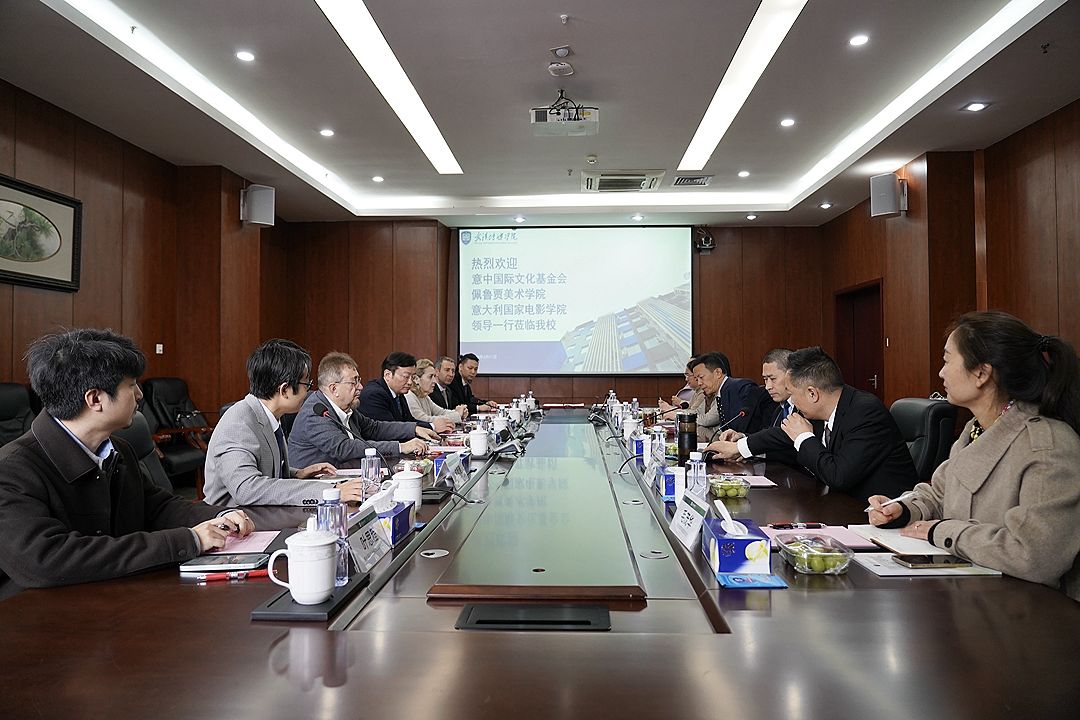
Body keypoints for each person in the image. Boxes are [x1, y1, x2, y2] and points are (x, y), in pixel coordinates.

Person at [0, 329, 253, 598]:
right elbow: (46, 560)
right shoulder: (12, 470)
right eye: (131, 385)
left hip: (116, 597)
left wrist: (218, 517)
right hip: (39, 612)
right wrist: (189, 540)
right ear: (95, 399)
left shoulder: (119, 450)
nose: (140, 395)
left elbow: (157, 507)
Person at [868, 312, 1080, 600]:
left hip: (1029, 612)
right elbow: (939, 493)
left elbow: (1034, 556)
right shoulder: (976, 429)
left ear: (982, 373)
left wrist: (942, 531)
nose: (941, 373)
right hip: (974, 596)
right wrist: (903, 509)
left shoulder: (1047, 446)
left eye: (946, 360)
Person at [203, 339, 354, 507]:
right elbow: (247, 489)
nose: (309, 391)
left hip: (262, 512)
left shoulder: (270, 415)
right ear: (284, 390)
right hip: (232, 517)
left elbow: (261, 469)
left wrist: (297, 474)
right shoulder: (237, 424)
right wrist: (330, 491)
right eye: (306, 384)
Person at [781, 346, 917, 503]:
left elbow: (838, 477)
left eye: (792, 394)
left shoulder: (865, 412)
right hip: (840, 505)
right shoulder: (822, 411)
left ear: (812, 393)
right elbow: (783, 437)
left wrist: (804, 437)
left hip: (881, 511)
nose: (792, 402)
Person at [288, 352, 433, 468]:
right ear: (334, 388)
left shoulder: (346, 407)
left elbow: (373, 428)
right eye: (354, 382)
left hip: (346, 476)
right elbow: (344, 448)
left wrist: (413, 429)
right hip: (318, 487)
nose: (360, 387)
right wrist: (400, 447)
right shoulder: (316, 412)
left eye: (359, 380)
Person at [706, 348, 804, 463]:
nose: (768, 386)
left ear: (791, 375)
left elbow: (793, 451)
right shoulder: (780, 409)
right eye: (765, 379)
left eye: (773, 379)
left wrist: (745, 449)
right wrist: (742, 437)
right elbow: (772, 441)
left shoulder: (805, 409)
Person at [358, 352, 455, 433]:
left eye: (412, 377)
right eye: (406, 377)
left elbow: (409, 421)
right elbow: (390, 429)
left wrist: (432, 426)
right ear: (388, 375)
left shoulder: (399, 393)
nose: (410, 382)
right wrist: (432, 426)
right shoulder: (374, 394)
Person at [691, 351, 770, 441]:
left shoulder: (740, 388)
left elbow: (746, 428)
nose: (699, 383)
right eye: (696, 379)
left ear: (718, 373)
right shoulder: (722, 392)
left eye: (701, 377)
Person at [408, 358, 468, 427]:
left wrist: (459, 412)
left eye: (434, 376)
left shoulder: (424, 396)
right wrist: (457, 414)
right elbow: (425, 420)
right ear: (416, 379)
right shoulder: (410, 397)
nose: (434, 381)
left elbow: (441, 412)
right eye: (430, 377)